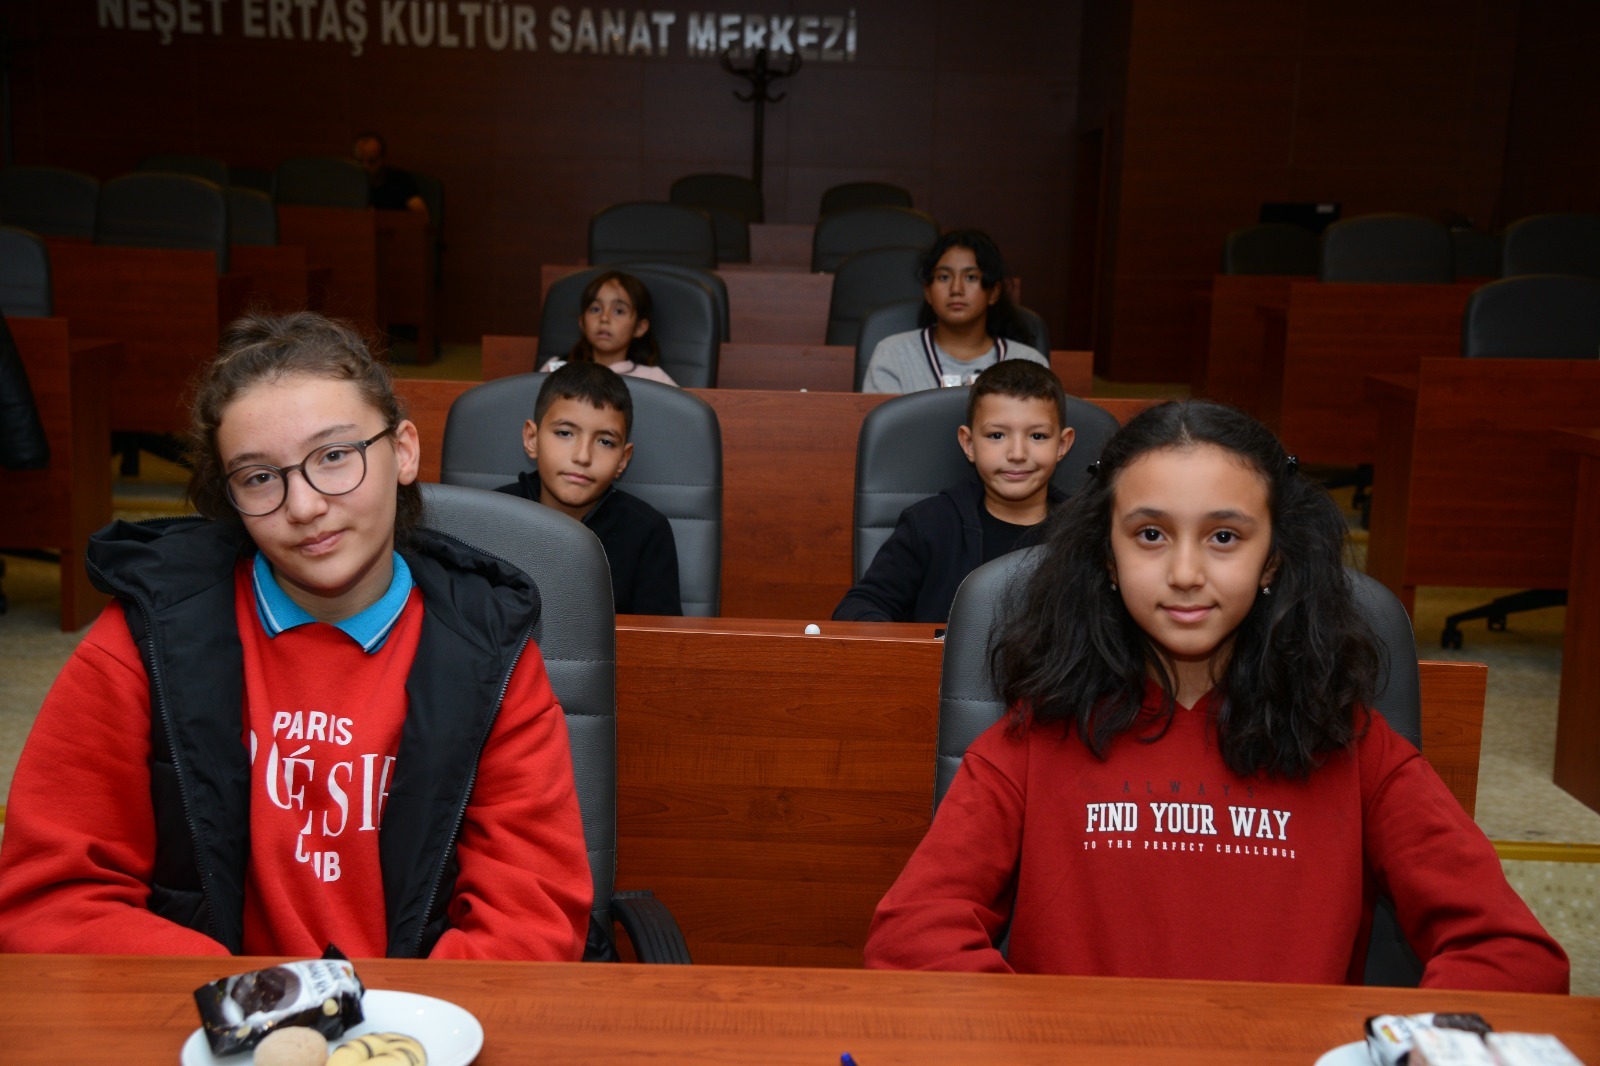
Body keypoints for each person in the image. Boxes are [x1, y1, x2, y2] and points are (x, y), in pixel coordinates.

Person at [864, 400, 1569, 991]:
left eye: (1224, 536)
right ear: (1108, 556)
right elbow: (913, 933)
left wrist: (1404, 1047)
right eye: (1150, 534)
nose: (1185, 572)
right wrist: (1042, 1041)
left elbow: (1511, 953)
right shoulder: (1029, 741)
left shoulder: (1355, 746)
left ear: (1273, 560)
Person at [0, 312, 592, 961]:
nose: (304, 506)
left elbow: (532, 914)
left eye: (334, 457)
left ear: (403, 452)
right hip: (211, 1012)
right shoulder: (147, 639)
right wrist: (255, 1000)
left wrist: (395, 1014)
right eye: (259, 477)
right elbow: (49, 897)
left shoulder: (490, 651)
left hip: (414, 1017)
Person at [834, 361, 1074, 623]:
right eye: (996, 435)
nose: (1017, 454)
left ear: (1062, 445)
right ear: (969, 444)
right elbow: (859, 606)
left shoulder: (1083, 532)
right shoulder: (928, 523)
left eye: (1037, 436)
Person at [496, 361, 682, 616]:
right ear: (532, 439)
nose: (583, 457)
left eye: (605, 441)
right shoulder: (491, 517)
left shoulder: (648, 531)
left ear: (623, 459)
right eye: (565, 433)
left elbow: (658, 636)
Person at [861, 229, 1049, 394]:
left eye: (971, 277)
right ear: (928, 292)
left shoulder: (1029, 363)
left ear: (993, 292)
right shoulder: (893, 354)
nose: (956, 289)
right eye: (944, 277)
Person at [540, 271, 678, 386]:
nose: (604, 318)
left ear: (639, 327)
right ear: (582, 322)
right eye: (595, 309)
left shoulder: (653, 378)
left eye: (618, 311)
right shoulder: (556, 368)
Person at [353, 131, 428, 222]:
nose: (365, 167)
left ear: (383, 159)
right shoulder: (351, 184)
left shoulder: (400, 180)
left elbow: (422, 216)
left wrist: (379, 216)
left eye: (372, 162)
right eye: (360, 162)